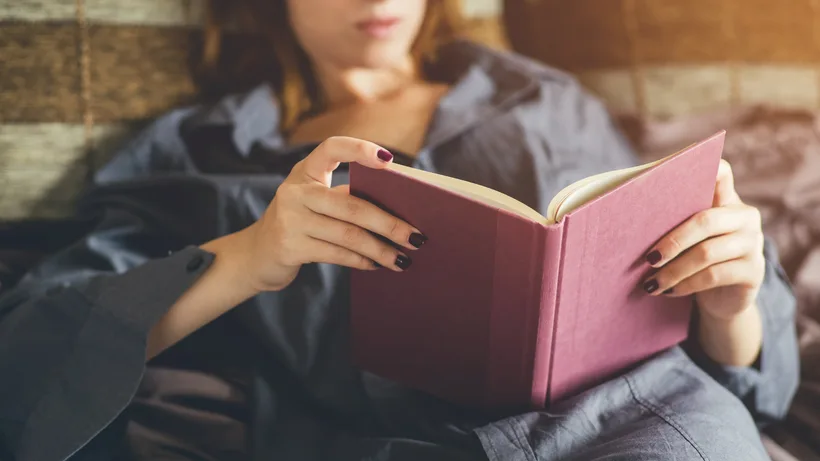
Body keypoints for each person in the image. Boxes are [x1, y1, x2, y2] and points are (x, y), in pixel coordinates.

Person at [0, 1, 799, 460]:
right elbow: (40, 343)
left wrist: (730, 306)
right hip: (397, 441)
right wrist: (254, 255)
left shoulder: (542, 97)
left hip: (639, 412)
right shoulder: (198, 153)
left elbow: (748, 379)